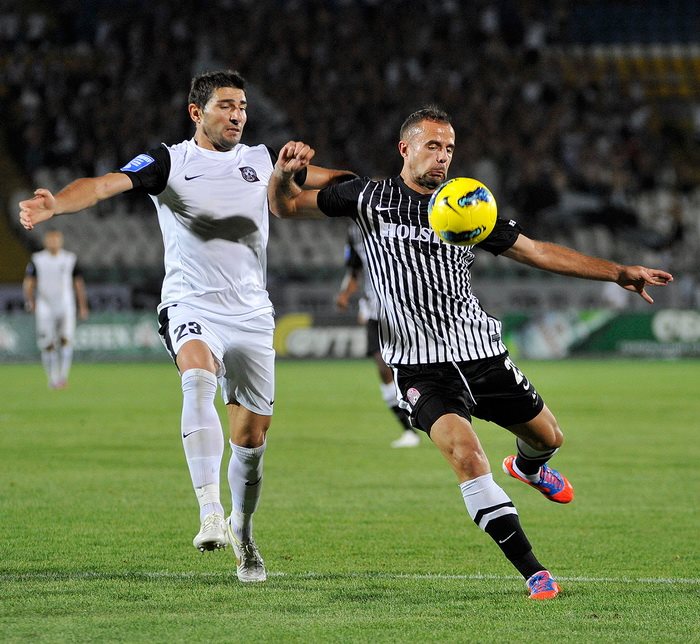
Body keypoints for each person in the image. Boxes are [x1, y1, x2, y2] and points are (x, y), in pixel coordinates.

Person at [267, 106, 673, 600]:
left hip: (480, 352)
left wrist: (617, 272)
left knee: (549, 437)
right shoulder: (368, 197)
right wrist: (282, 176)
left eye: (449, 149)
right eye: (432, 146)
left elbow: (536, 251)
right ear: (405, 149)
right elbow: (285, 207)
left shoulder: (468, 204)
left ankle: (528, 468)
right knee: (466, 454)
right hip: (418, 367)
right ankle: (534, 572)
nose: (442, 157)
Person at [19, 69, 353, 583]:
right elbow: (105, 184)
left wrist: (347, 185)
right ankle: (209, 510)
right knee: (196, 376)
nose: (237, 115)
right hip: (190, 302)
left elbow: (338, 183)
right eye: (226, 106)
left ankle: (243, 529)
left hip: (251, 314)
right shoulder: (168, 161)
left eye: (242, 106)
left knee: (251, 441)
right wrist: (57, 203)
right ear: (197, 112)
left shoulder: (260, 160)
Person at [336, 224, 420, 448]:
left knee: (414, 365)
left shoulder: (398, 220)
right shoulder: (354, 230)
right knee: (383, 367)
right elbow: (354, 270)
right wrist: (345, 294)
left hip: (406, 308)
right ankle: (408, 429)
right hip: (374, 311)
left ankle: (426, 412)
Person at [23, 229, 89, 389]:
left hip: (66, 305)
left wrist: (82, 306)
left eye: (56, 239)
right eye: (50, 240)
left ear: (61, 241)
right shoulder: (37, 260)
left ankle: (63, 377)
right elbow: (29, 283)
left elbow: (78, 284)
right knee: (48, 343)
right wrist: (30, 301)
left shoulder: (69, 259)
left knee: (66, 340)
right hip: (45, 306)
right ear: (45, 242)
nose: (53, 242)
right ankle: (52, 378)